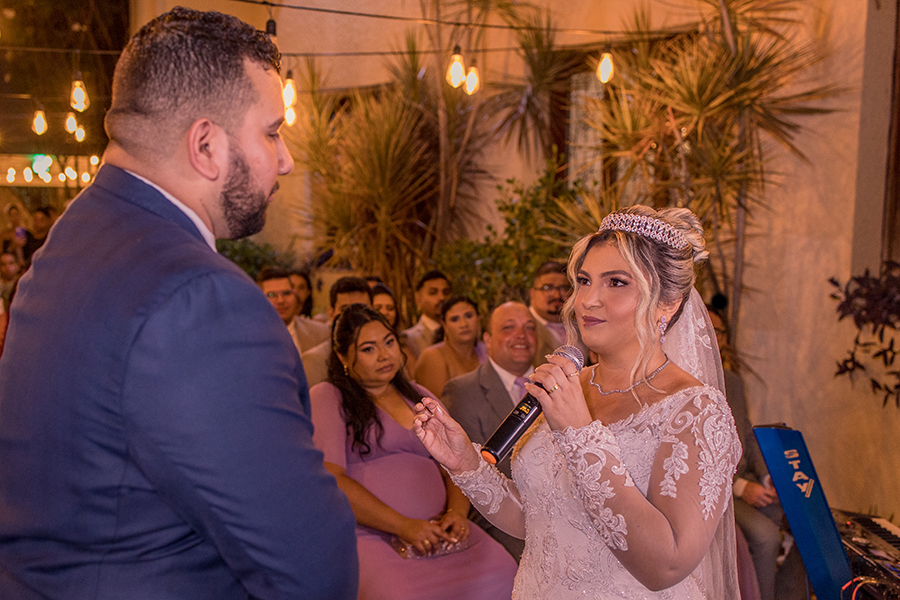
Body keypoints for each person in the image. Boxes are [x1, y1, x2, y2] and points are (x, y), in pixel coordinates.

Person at [0, 8, 358, 599]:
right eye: (272, 131)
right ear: (206, 145)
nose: (287, 159)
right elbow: (312, 571)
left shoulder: (71, 240)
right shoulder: (200, 299)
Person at [413, 205, 742, 599]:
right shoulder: (567, 385)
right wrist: (467, 464)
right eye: (584, 281)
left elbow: (665, 565)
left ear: (667, 303)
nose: (588, 300)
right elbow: (539, 519)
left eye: (616, 283)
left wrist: (579, 436)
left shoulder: (696, 410)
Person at [310, 304, 517, 600]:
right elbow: (331, 479)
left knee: (505, 571)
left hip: (442, 534)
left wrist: (457, 515)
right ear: (343, 357)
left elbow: (457, 463)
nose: (385, 355)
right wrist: (404, 526)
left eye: (389, 342)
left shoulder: (419, 395)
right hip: (374, 538)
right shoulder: (329, 397)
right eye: (368, 349)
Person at [707, 305, 806, 600]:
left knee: (796, 517)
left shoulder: (733, 381)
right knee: (765, 536)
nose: (714, 337)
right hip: (717, 489)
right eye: (708, 330)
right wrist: (739, 488)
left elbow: (748, 434)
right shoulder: (684, 383)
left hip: (746, 476)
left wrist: (766, 476)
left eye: (720, 331)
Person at [441, 301, 538, 560]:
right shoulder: (463, 391)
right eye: (509, 327)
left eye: (530, 328)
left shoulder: (558, 384)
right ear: (487, 339)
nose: (521, 335)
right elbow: (471, 480)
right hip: (503, 525)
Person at [301, 276, 372, 386]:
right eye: (344, 309)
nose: (353, 316)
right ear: (331, 313)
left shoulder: (386, 353)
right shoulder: (315, 360)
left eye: (361, 308)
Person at [413, 295, 487, 398]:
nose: (463, 324)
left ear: (478, 318)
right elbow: (438, 406)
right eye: (454, 319)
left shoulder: (485, 350)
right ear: (444, 326)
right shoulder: (433, 356)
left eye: (469, 316)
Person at [258, 266, 330, 354]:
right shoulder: (247, 337)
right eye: (272, 295)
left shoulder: (321, 334)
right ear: (259, 299)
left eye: (286, 293)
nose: (281, 300)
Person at [529, 260, 587, 366]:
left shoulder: (582, 325)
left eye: (563, 288)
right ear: (532, 294)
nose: (556, 295)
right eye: (547, 288)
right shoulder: (522, 328)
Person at [403, 269, 451, 358]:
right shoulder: (408, 339)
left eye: (446, 292)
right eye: (433, 292)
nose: (441, 297)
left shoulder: (460, 332)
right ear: (418, 299)